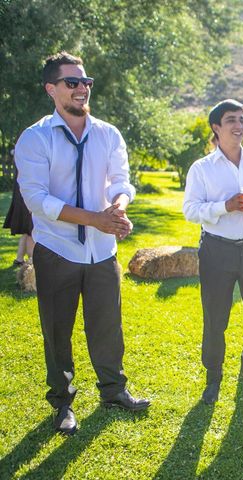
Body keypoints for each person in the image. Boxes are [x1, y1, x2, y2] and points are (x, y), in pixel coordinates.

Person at [15, 52, 150, 435]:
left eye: (85, 82)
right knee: (58, 329)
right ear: (51, 89)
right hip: (57, 249)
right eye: (72, 82)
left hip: (102, 251)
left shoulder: (108, 134)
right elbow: (37, 199)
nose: (81, 89)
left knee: (108, 325)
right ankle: (62, 405)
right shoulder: (35, 137)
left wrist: (118, 209)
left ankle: (113, 391)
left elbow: (122, 182)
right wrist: (95, 219)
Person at [183, 99, 243, 404]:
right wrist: (225, 206)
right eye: (231, 120)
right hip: (217, 251)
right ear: (216, 127)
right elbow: (190, 210)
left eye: (241, 119)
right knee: (216, 318)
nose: (239, 126)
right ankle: (213, 378)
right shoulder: (201, 169)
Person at [3, 149, 34, 265]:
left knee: (27, 231)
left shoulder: (22, 155)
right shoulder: (28, 157)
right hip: (27, 200)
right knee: (31, 230)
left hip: (23, 199)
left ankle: (19, 259)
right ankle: (31, 264)